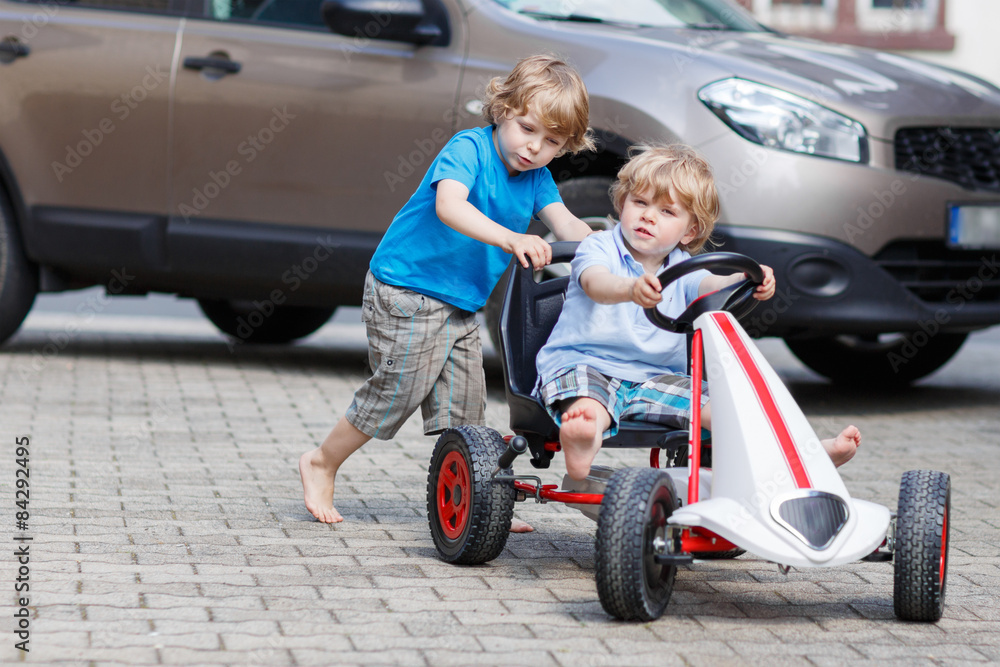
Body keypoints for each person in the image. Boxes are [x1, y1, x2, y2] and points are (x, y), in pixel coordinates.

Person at [300, 54, 597, 524]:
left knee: (466, 414)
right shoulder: (469, 149)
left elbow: (568, 226)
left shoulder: (537, 178)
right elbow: (449, 206)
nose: (534, 147)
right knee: (397, 393)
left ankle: (479, 500)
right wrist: (511, 237)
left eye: (552, 141)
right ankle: (320, 462)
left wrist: (612, 253)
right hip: (406, 290)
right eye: (527, 128)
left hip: (460, 304)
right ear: (502, 110)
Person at [534, 144, 861, 482]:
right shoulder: (598, 246)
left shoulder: (683, 268)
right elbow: (594, 283)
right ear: (622, 202)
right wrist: (629, 289)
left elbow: (711, 285)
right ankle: (582, 443)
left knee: (732, 408)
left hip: (653, 378)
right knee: (588, 408)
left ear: (689, 232)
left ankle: (801, 454)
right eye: (641, 202)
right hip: (585, 364)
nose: (648, 215)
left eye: (666, 211)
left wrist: (745, 278)